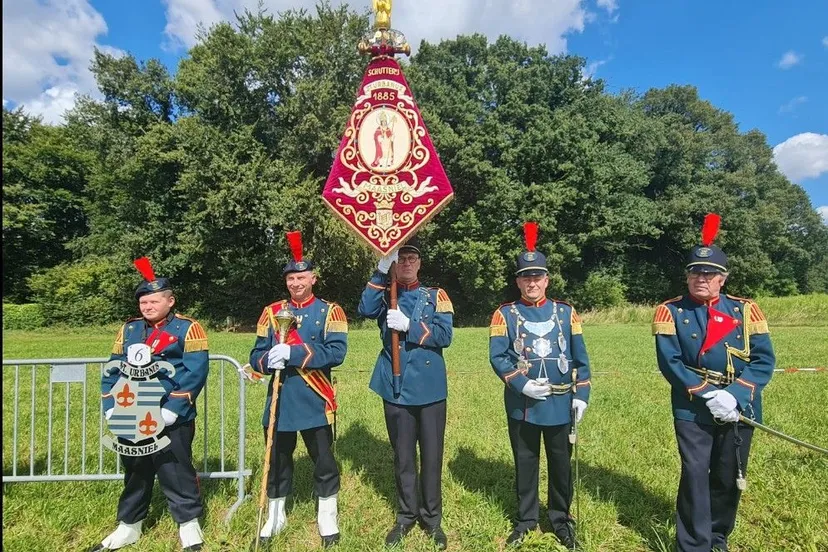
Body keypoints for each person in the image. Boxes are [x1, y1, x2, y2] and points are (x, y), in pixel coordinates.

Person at [653, 213, 775, 552]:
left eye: (709, 273)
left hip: (740, 405)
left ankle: (718, 536)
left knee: (727, 474)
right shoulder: (671, 311)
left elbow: (764, 360)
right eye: (694, 272)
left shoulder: (746, 310)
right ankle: (693, 544)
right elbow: (670, 362)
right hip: (692, 405)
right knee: (694, 474)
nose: (700, 278)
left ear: (722, 278)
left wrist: (734, 395)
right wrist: (708, 394)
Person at [92, 257, 209, 551]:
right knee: (135, 470)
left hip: (170, 414)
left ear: (170, 301)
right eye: (143, 302)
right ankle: (129, 525)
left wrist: (174, 407)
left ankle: (188, 524)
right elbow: (112, 368)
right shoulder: (129, 330)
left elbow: (196, 371)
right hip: (131, 413)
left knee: (176, 469)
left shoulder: (188, 328)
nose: (147, 307)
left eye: (154, 301)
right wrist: (110, 405)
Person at [488, 222, 591, 549]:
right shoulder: (504, 314)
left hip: (561, 404)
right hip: (524, 405)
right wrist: (521, 385)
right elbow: (498, 357)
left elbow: (581, 358)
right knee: (526, 462)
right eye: (525, 277)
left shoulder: (566, 313)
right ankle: (526, 519)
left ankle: (561, 520)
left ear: (547, 279)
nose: (532, 283)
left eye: (537, 277)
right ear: (517, 281)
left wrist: (582, 395)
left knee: (561, 465)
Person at [249, 231, 347, 549]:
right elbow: (256, 356)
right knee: (277, 460)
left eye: (301, 276)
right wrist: (268, 359)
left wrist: (293, 353)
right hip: (280, 399)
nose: (296, 283)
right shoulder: (271, 311)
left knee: (323, 460)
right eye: (291, 277)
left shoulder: (330, 311)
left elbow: (336, 352)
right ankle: (276, 515)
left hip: (315, 399)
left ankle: (326, 515)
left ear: (313, 278)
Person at [358, 237, 454, 549]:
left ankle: (432, 517)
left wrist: (409, 326)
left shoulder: (436, 296)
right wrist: (381, 268)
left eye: (411, 258)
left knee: (431, 455)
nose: (407, 263)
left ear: (420, 263)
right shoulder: (387, 295)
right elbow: (363, 309)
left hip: (429, 387)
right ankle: (405, 515)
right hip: (395, 385)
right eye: (401, 259)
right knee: (402, 456)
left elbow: (444, 335)